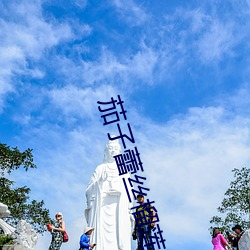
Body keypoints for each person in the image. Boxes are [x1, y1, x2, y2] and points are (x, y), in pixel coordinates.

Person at [85, 138, 134, 250]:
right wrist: (99, 182)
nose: (113, 151)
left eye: (115, 148)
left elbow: (130, 190)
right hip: (102, 207)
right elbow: (88, 189)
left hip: (118, 207)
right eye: (110, 148)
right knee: (100, 236)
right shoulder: (100, 168)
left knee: (119, 234)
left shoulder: (124, 170)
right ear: (106, 151)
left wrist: (121, 190)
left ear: (120, 151)